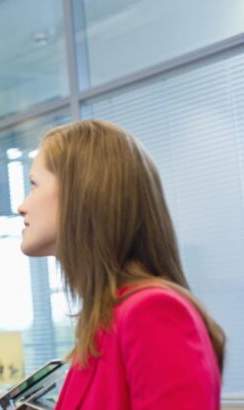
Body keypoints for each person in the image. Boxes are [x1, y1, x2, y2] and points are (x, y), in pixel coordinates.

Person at [17, 119, 225, 409]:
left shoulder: (152, 312)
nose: (21, 206)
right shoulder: (103, 321)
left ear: (81, 194)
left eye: (33, 185)